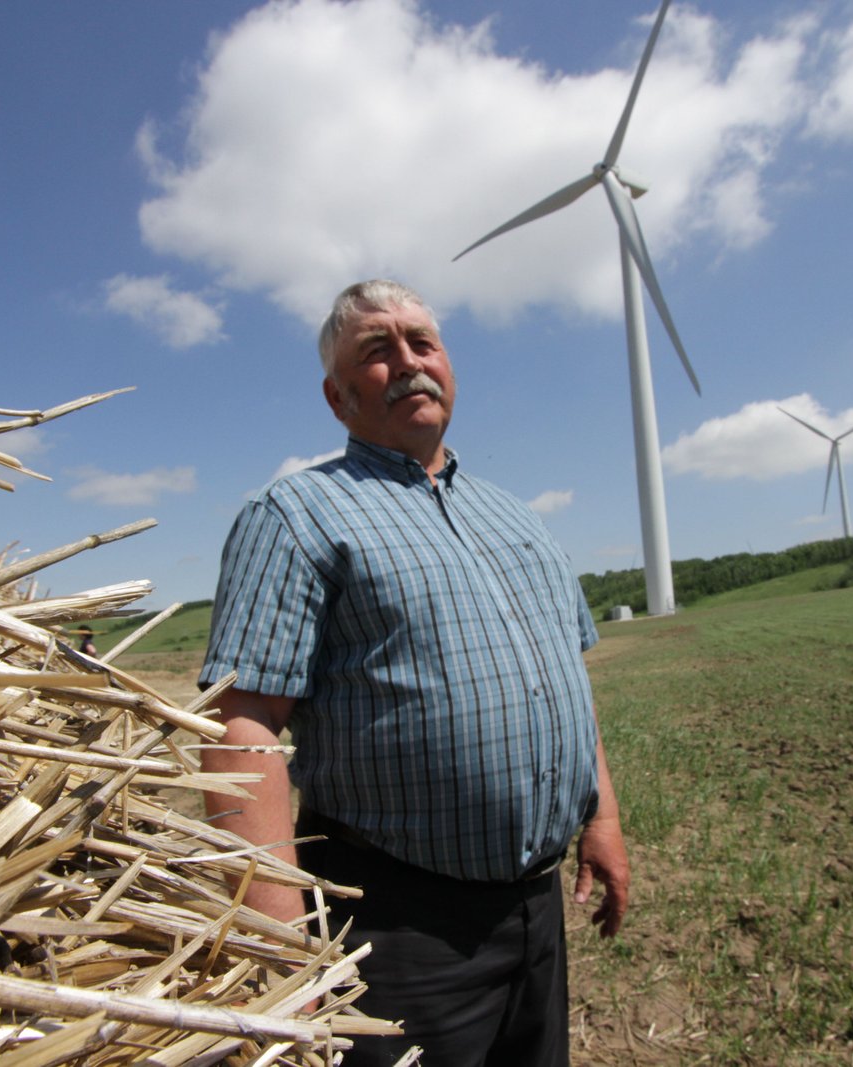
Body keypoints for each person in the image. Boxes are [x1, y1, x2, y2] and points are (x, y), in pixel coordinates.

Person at [198, 279, 630, 1066]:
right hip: (393, 926)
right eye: (377, 350)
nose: (407, 362)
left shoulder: (516, 515)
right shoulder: (298, 514)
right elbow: (241, 728)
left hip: (535, 908)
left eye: (422, 342)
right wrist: (280, 945)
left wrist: (599, 819)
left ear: (450, 366)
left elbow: (565, 677)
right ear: (337, 397)